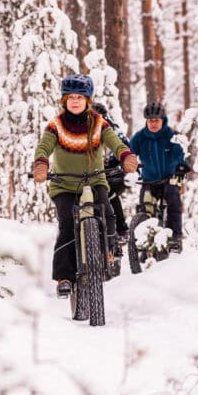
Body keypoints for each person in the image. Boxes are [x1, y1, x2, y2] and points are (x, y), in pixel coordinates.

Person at [34, 74, 138, 297]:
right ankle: (64, 277)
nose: (75, 101)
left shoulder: (100, 124)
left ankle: (107, 252)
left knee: (108, 213)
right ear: (64, 101)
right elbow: (44, 147)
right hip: (64, 185)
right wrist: (41, 164)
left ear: (88, 101)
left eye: (80, 97)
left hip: (95, 180)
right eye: (70, 97)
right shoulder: (56, 125)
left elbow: (115, 143)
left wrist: (126, 156)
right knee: (67, 225)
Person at [129, 101, 189, 253]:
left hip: (170, 178)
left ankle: (175, 238)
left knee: (173, 199)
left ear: (163, 120)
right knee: (144, 206)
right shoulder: (139, 137)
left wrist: (181, 166)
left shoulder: (172, 136)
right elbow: (129, 155)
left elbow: (180, 154)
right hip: (149, 180)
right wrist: (128, 167)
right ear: (146, 121)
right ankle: (145, 242)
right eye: (150, 121)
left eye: (156, 120)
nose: (153, 123)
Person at [91, 102, 130, 243]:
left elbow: (125, 147)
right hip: (90, 174)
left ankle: (121, 229)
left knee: (111, 195)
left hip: (112, 172)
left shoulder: (113, 130)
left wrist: (125, 165)